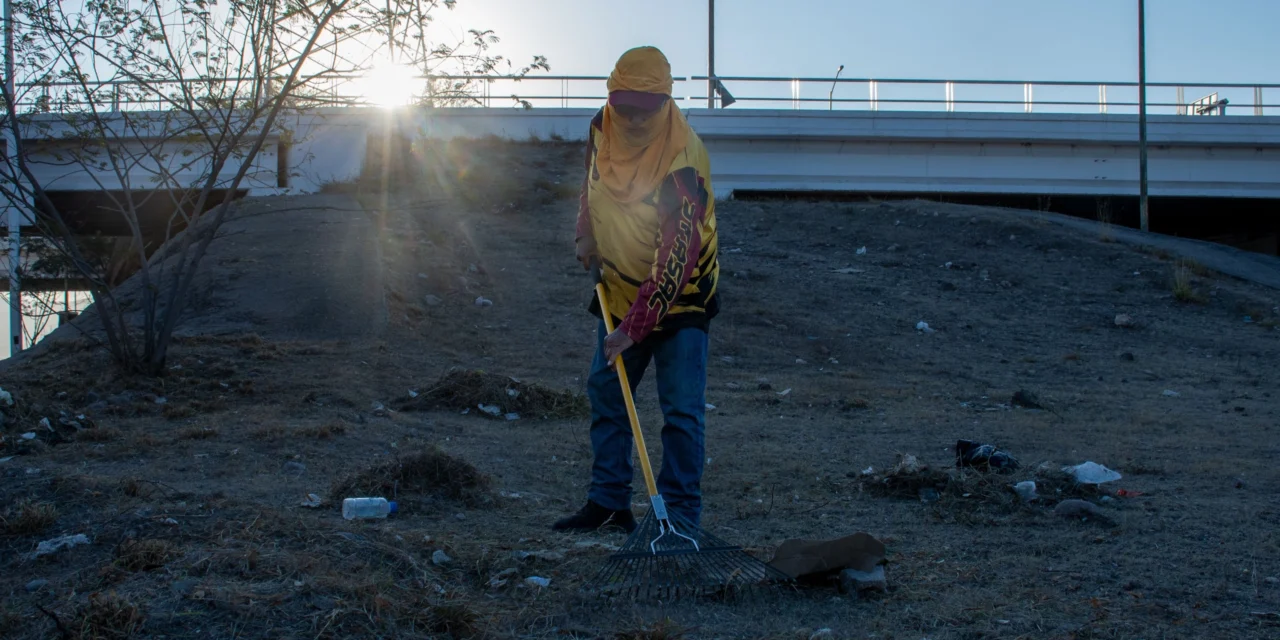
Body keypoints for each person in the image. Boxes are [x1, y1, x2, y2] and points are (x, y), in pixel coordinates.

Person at [553, 46, 720, 534]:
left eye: (640, 110)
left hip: (682, 296)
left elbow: (676, 259)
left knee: (681, 411)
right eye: (622, 105)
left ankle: (680, 519)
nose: (628, 117)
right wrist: (585, 229)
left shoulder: (684, 160)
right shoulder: (600, 126)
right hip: (622, 287)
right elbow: (592, 181)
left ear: (664, 103)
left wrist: (634, 329)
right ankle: (609, 503)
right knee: (607, 393)